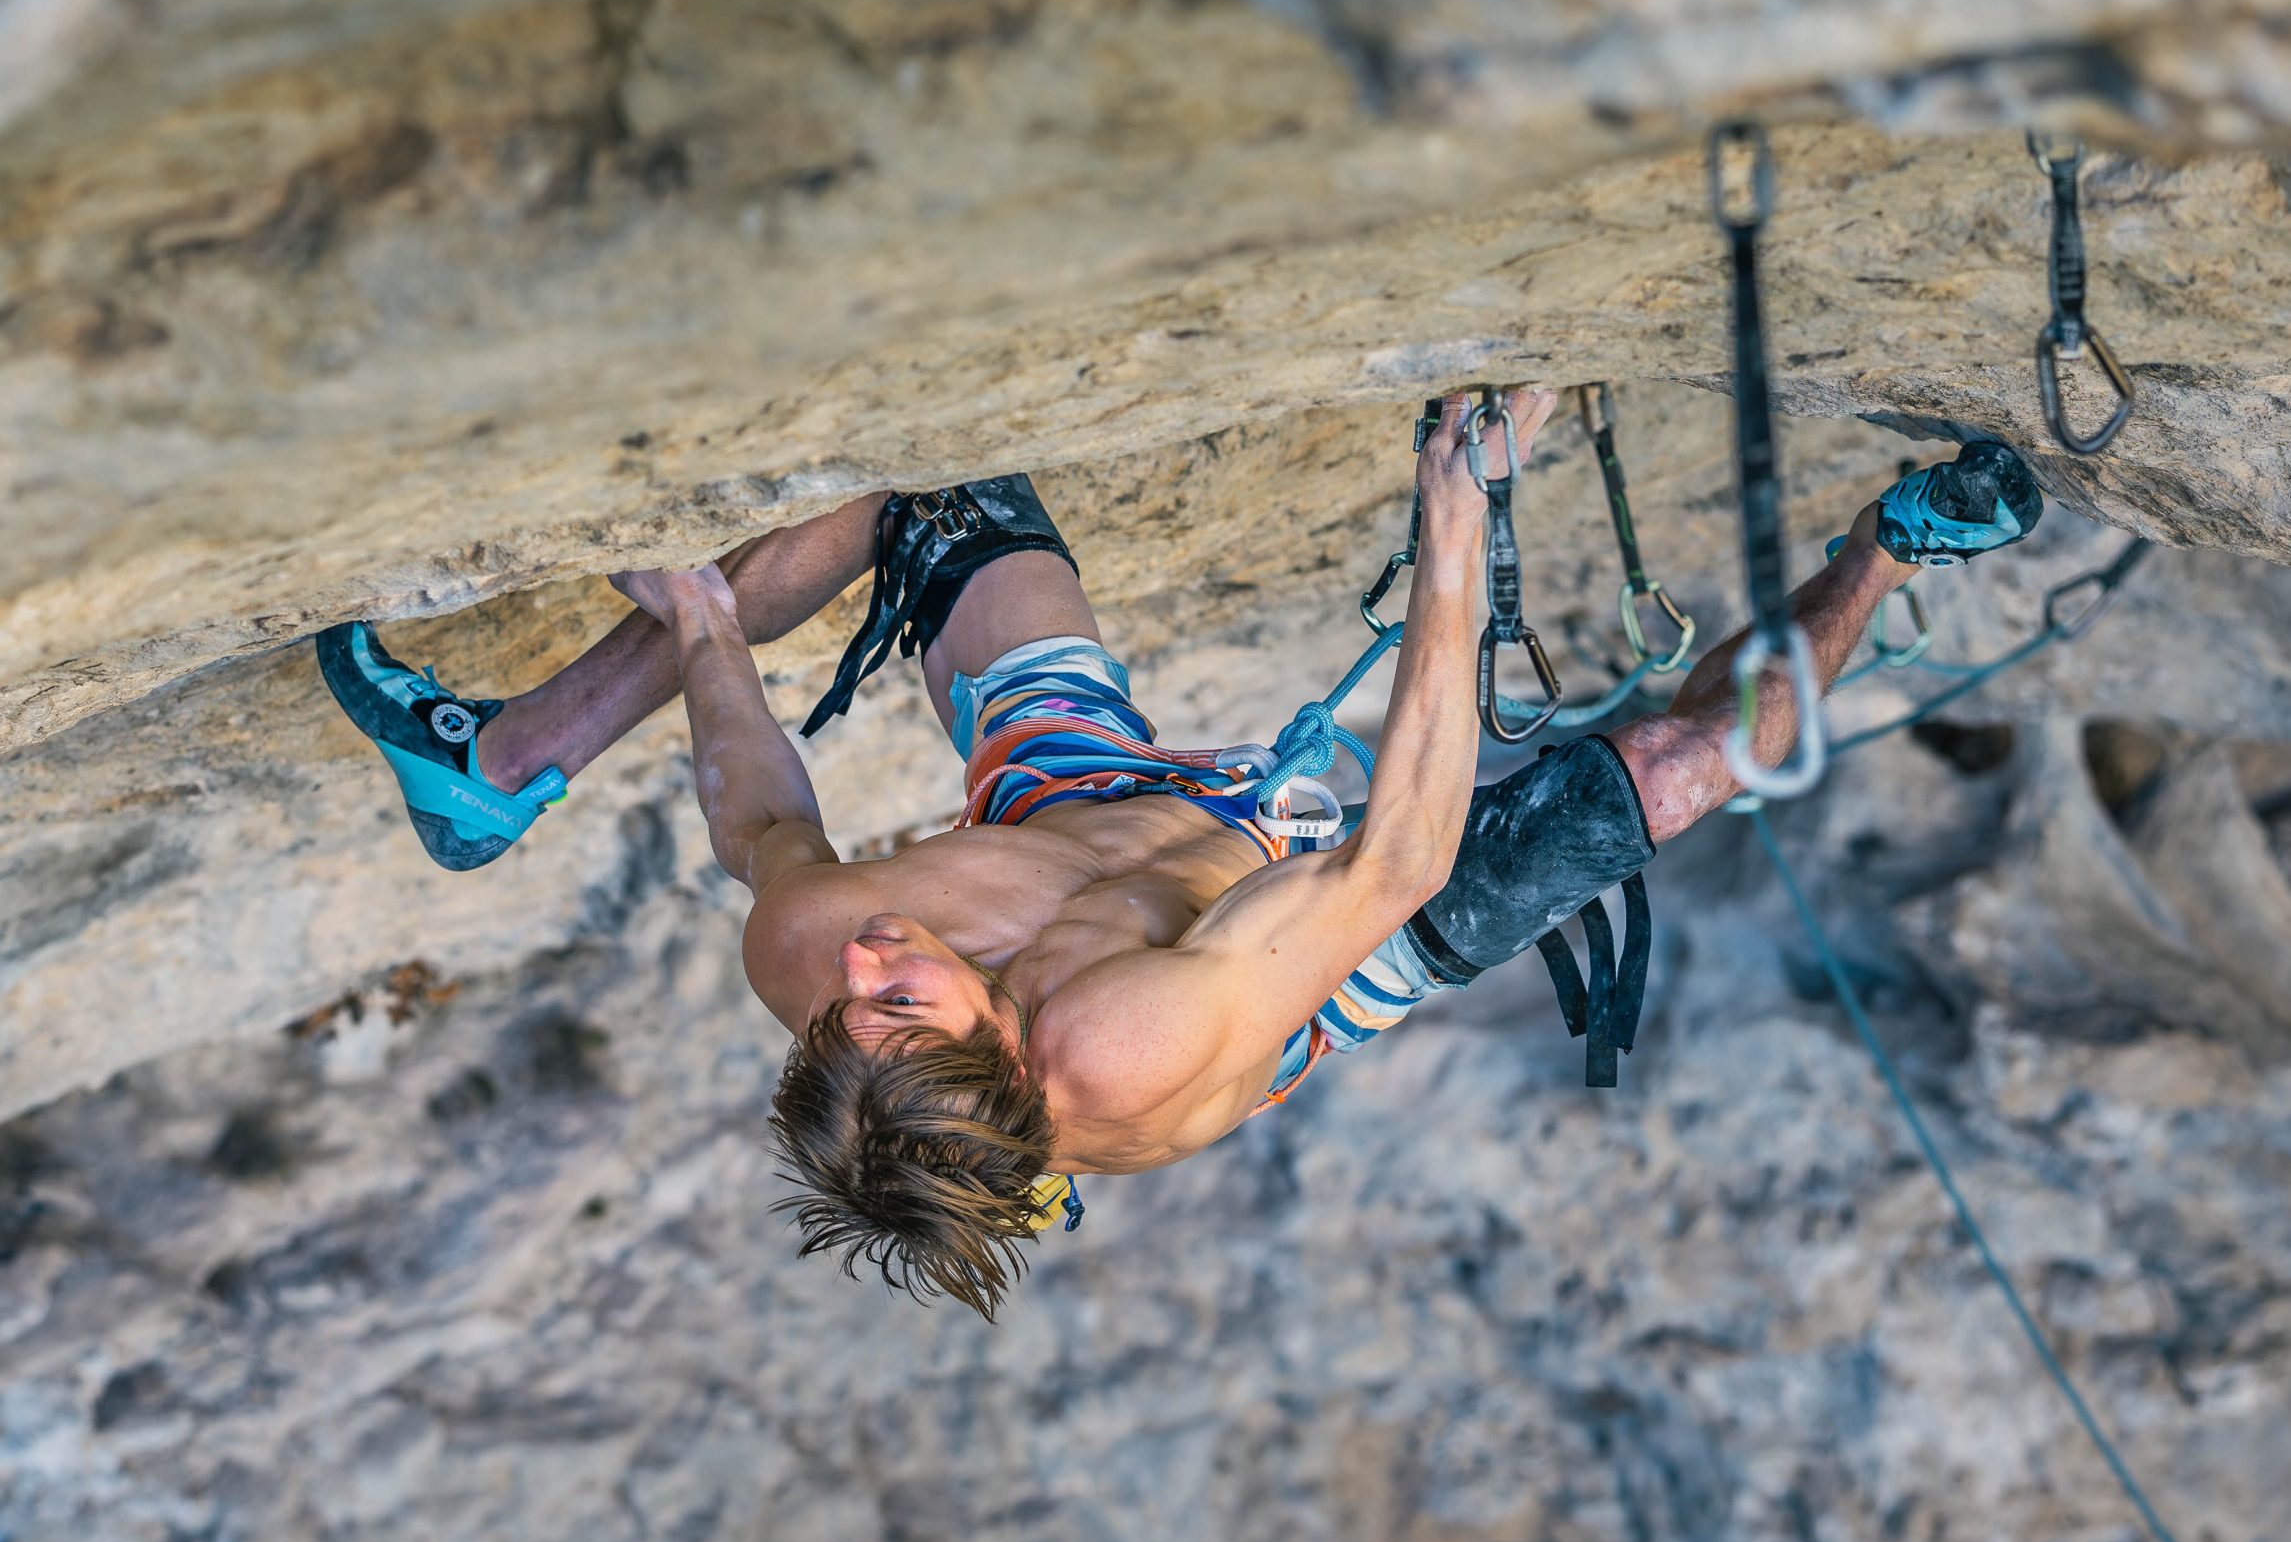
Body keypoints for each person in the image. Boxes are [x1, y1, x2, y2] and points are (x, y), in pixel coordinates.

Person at [316, 396, 2042, 1316]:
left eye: (848, 1009)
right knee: (1679, 759)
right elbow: (1394, 855)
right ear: (1003, 1056)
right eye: (894, 1007)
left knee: (920, 487)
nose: (858, 972)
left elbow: (755, 810)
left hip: (1077, 795)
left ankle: (508, 760)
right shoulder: (1128, 1052)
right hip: (1334, 928)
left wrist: (704, 630)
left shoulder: (821, 967)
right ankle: (1893, 553)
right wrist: (1460, 522)